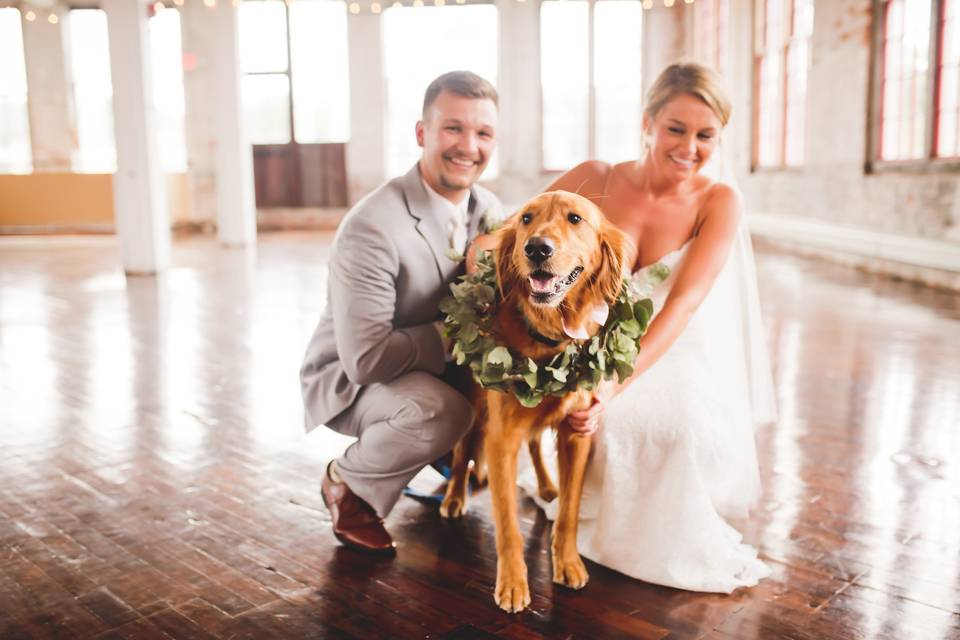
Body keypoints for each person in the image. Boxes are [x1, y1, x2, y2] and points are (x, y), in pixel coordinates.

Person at [523, 61, 778, 592]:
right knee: (571, 410)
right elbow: (518, 231)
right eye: (676, 129)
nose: (690, 147)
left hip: (670, 341)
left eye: (706, 135)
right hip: (584, 330)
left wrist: (613, 385)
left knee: (667, 427)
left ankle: (648, 536)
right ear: (648, 123)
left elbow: (682, 305)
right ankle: (575, 518)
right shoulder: (598, 177)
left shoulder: (719, 202)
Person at [300, 71, 502, 555]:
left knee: (503, 400)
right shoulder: (372, 226)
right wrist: (463, 333)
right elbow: (366, 360)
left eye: (483, 133)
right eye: (453, 128)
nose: (468, 146)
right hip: (354, 377)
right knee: (443, 413)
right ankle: (348, 485)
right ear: (421, 134)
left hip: (428, 363)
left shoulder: (490, 208)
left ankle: (445, 453)